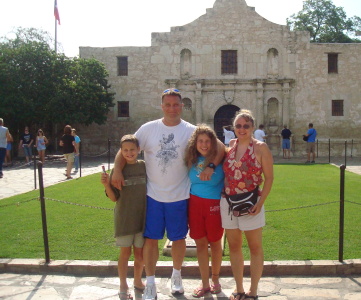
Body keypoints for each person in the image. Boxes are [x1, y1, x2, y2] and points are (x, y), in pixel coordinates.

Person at [111, 88, 224, 300]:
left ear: (182, 106)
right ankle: (151, 282)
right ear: (162, 106)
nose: (172, 108)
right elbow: (125, 148)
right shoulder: (148, 129)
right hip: (153, 195)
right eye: (168, 104)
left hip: (180, 195)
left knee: (178, 238)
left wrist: (211, 166)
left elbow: (219, 147)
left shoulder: (191, 130)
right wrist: (117, 169)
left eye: (176, 104)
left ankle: (177, 275)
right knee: (151, 240)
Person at [221, 109, 274, 300]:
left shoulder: (261, 148)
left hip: (251, 203)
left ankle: (253, 290)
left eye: (246, 126)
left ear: (252, 127)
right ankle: (239, 288)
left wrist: (261, 203)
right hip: (228, 203)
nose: (242, 129)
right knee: (234, 246)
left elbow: (269, 178)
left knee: (255, 247)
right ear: (234, 128)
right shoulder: (232, 144)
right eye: (238, 125)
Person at [101, 134, 146, 300]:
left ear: (138, 150)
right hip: (124, 219)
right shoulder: (117, 171)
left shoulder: (144, 167)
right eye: (125, 150)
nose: (129, 153)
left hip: (142, 219)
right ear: (121, 151)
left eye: (132, 149)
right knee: (125, 254)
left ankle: (137, 281)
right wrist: (106, 184)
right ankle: (122, 285)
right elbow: (114, 198)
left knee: (140, 255)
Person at [185, 125, 225, 298]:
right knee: (200, 244)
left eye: (208, 141)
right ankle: (204, 282)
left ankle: (215, 279)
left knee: (215, 242)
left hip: (214, 204)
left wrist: (211, 165)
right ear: (195, 142)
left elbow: (222, 147)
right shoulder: (191, 158)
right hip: (194, 204)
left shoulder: (219, 157)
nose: (204, 144)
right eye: (200, 141)